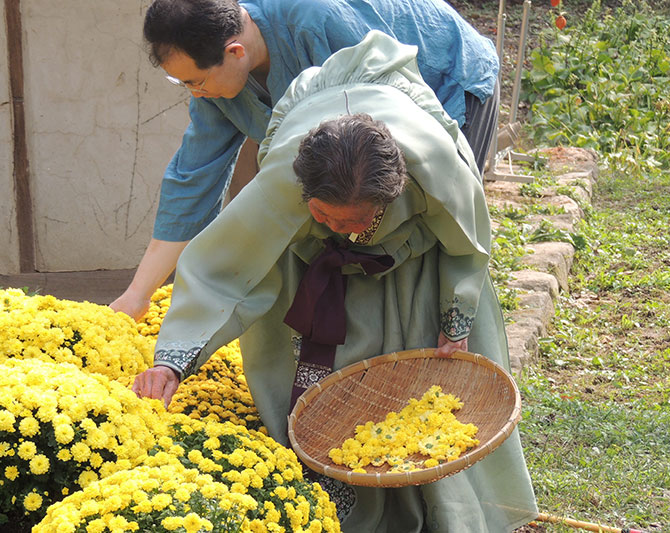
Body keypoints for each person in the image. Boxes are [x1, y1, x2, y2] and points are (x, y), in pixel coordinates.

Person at [132, 32, 535, 532]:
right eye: (324, 216)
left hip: (412, 265)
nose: (339, 230)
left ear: (393, 196)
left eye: (354, 222)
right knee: (320, 389)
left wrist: (455, 321)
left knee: (424, 390)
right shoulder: (284, 178)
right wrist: (172, 363)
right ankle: (341, 510)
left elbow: (466, 247)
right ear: (304, 197)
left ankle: (444, 513)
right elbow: (220, 270)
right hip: (313, 271)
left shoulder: (434, 167)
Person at [110, 0, 501, 321]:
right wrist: (138, 295)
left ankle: (452, 336)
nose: (194, 93)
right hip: (369, 126)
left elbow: (380, 135)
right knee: (350, 235)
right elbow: (192, 180)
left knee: (423, 224)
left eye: (194, 81)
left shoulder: (319, 20)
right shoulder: (215, 89)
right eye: (184, 84)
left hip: (446, 78)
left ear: (235, 52)